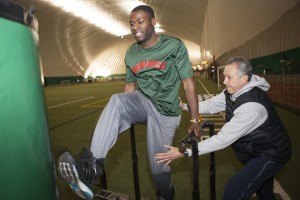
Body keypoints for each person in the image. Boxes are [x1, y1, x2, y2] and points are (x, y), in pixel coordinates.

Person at [57, 5, 202, 200]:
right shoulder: (131, 53)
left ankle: (166, 194)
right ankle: (89, 170)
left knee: (158, 170)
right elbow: (129, 87)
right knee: (117, 100)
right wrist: (122, 113)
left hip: (166, 112)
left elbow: (188, 83)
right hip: (143, 102)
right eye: (132, 23)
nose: (135, 27)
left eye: (140, 21)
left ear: (153, 22)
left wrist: (195, 119)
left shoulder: (174, 46)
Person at [155, 56, 292, 200]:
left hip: (272, 153)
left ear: (244, 79)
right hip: (256, 149)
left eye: (229, 77)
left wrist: (185, 152)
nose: (224, 81)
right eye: (224, 76)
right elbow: (212, 105)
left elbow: (222, 139)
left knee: (234, 188)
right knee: (264, 191)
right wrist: (184, 106)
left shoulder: (252, 107)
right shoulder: (234, 91)